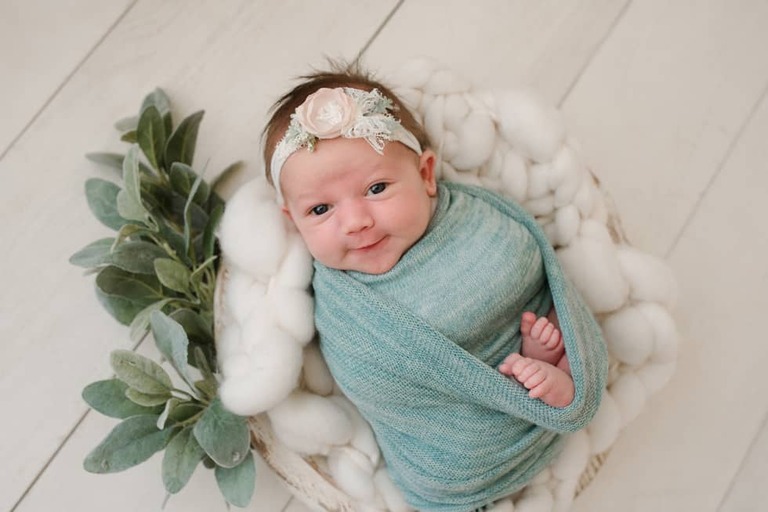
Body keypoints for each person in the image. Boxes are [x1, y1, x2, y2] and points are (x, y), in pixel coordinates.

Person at [261, 64, 606, 511]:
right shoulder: (339, 301)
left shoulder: (470, 220)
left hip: (521, 334)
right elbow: (370, 378)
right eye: (321, 210)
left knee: (553, 321)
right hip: (454, 442)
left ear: (426, 174)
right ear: (293, 221)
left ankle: (550, 368)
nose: (355, 222)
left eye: (376, 188)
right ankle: (532, 381)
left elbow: (518, 260)